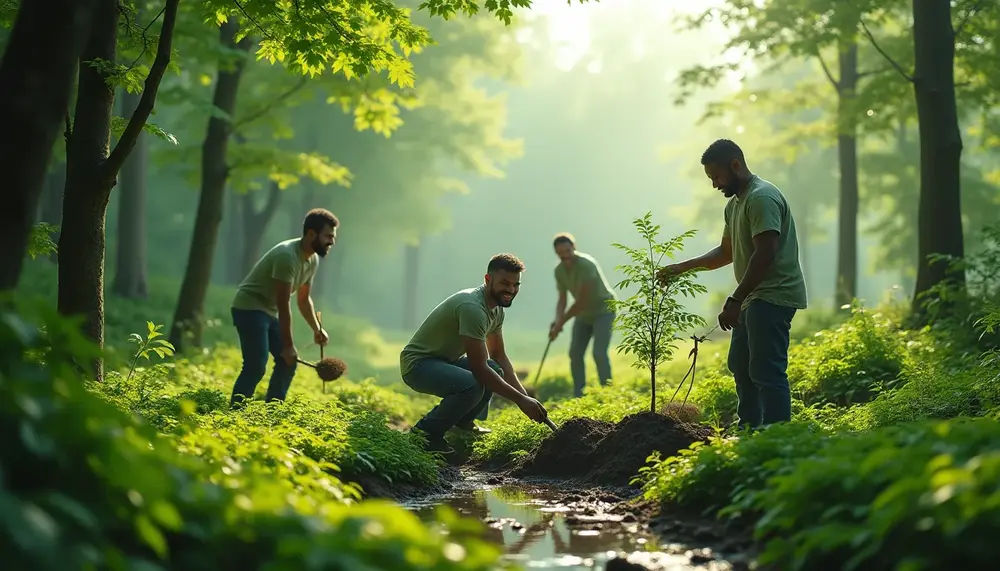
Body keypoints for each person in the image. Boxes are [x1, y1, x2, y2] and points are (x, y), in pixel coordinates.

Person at [657, 139, 807, 429]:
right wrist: (682, 268)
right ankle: (749, 428)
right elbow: (726, 253)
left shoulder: (761, 198)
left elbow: (766, 253)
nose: (714, 184)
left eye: (716, 176)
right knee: (741, 365)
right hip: (754, 297)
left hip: (773, 296)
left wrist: (735, 300)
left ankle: (779, 436)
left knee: (766, 370)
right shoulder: (736, 205)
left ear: (735, 165)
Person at [400, 253, 550, 454]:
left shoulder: (496, 310)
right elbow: (479, 369)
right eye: (505, 283)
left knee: (495, 369)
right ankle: (424, 435)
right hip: (418, 365)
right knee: (472, 385)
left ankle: (462, 423)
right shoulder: (472, 307)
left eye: (516, 285)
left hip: (445, 361)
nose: (511, 290)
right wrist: (521, 401)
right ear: (488, 279)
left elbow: (498, 356)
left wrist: (526, 398)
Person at [228, 208, 338, 406]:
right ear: (311, 234)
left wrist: (317, 329)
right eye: (328, 236)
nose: (332, 242)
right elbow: (283, 302)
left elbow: (303, 300)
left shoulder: (312, 259)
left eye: (333, 236)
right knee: (256, 365)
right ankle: (236, 411)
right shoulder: (287, 256)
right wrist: (288, 346)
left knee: (288, 363)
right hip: (249, 307)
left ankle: (274, 410)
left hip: (268, 311)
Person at [548, 233, 618, 397]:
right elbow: (562, 299)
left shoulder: (587, 265)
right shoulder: (559, 271)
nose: (565, 256)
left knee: (599, 353)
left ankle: (607, 391)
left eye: (567, 251)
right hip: (583, 315)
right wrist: (556, 321)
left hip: (603, 310)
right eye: (560, 253)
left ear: (574, 247)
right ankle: (579, 393)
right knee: (575, 352)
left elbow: (581, 301)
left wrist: (560, 324)